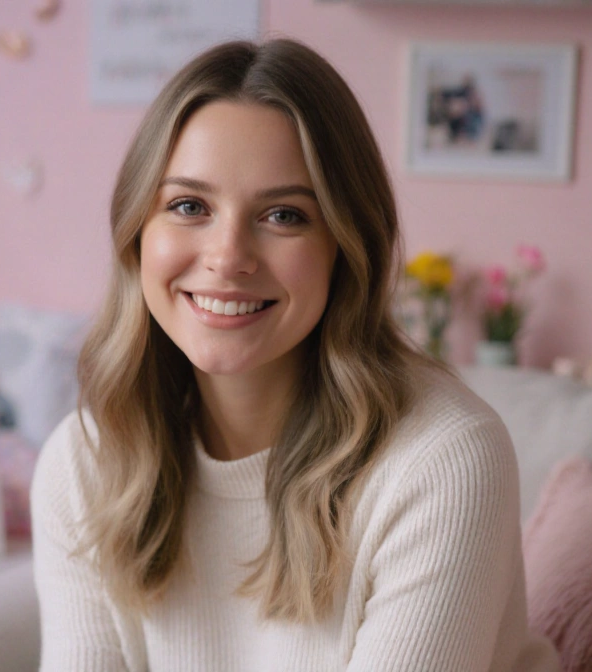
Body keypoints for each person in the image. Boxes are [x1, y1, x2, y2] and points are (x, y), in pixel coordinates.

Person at [31, 39, 561, 671]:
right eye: (189, 206)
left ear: (347, 244)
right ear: (136, 233)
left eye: (284, 215)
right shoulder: (84, 462)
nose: (228, 257)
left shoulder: (444, 460)